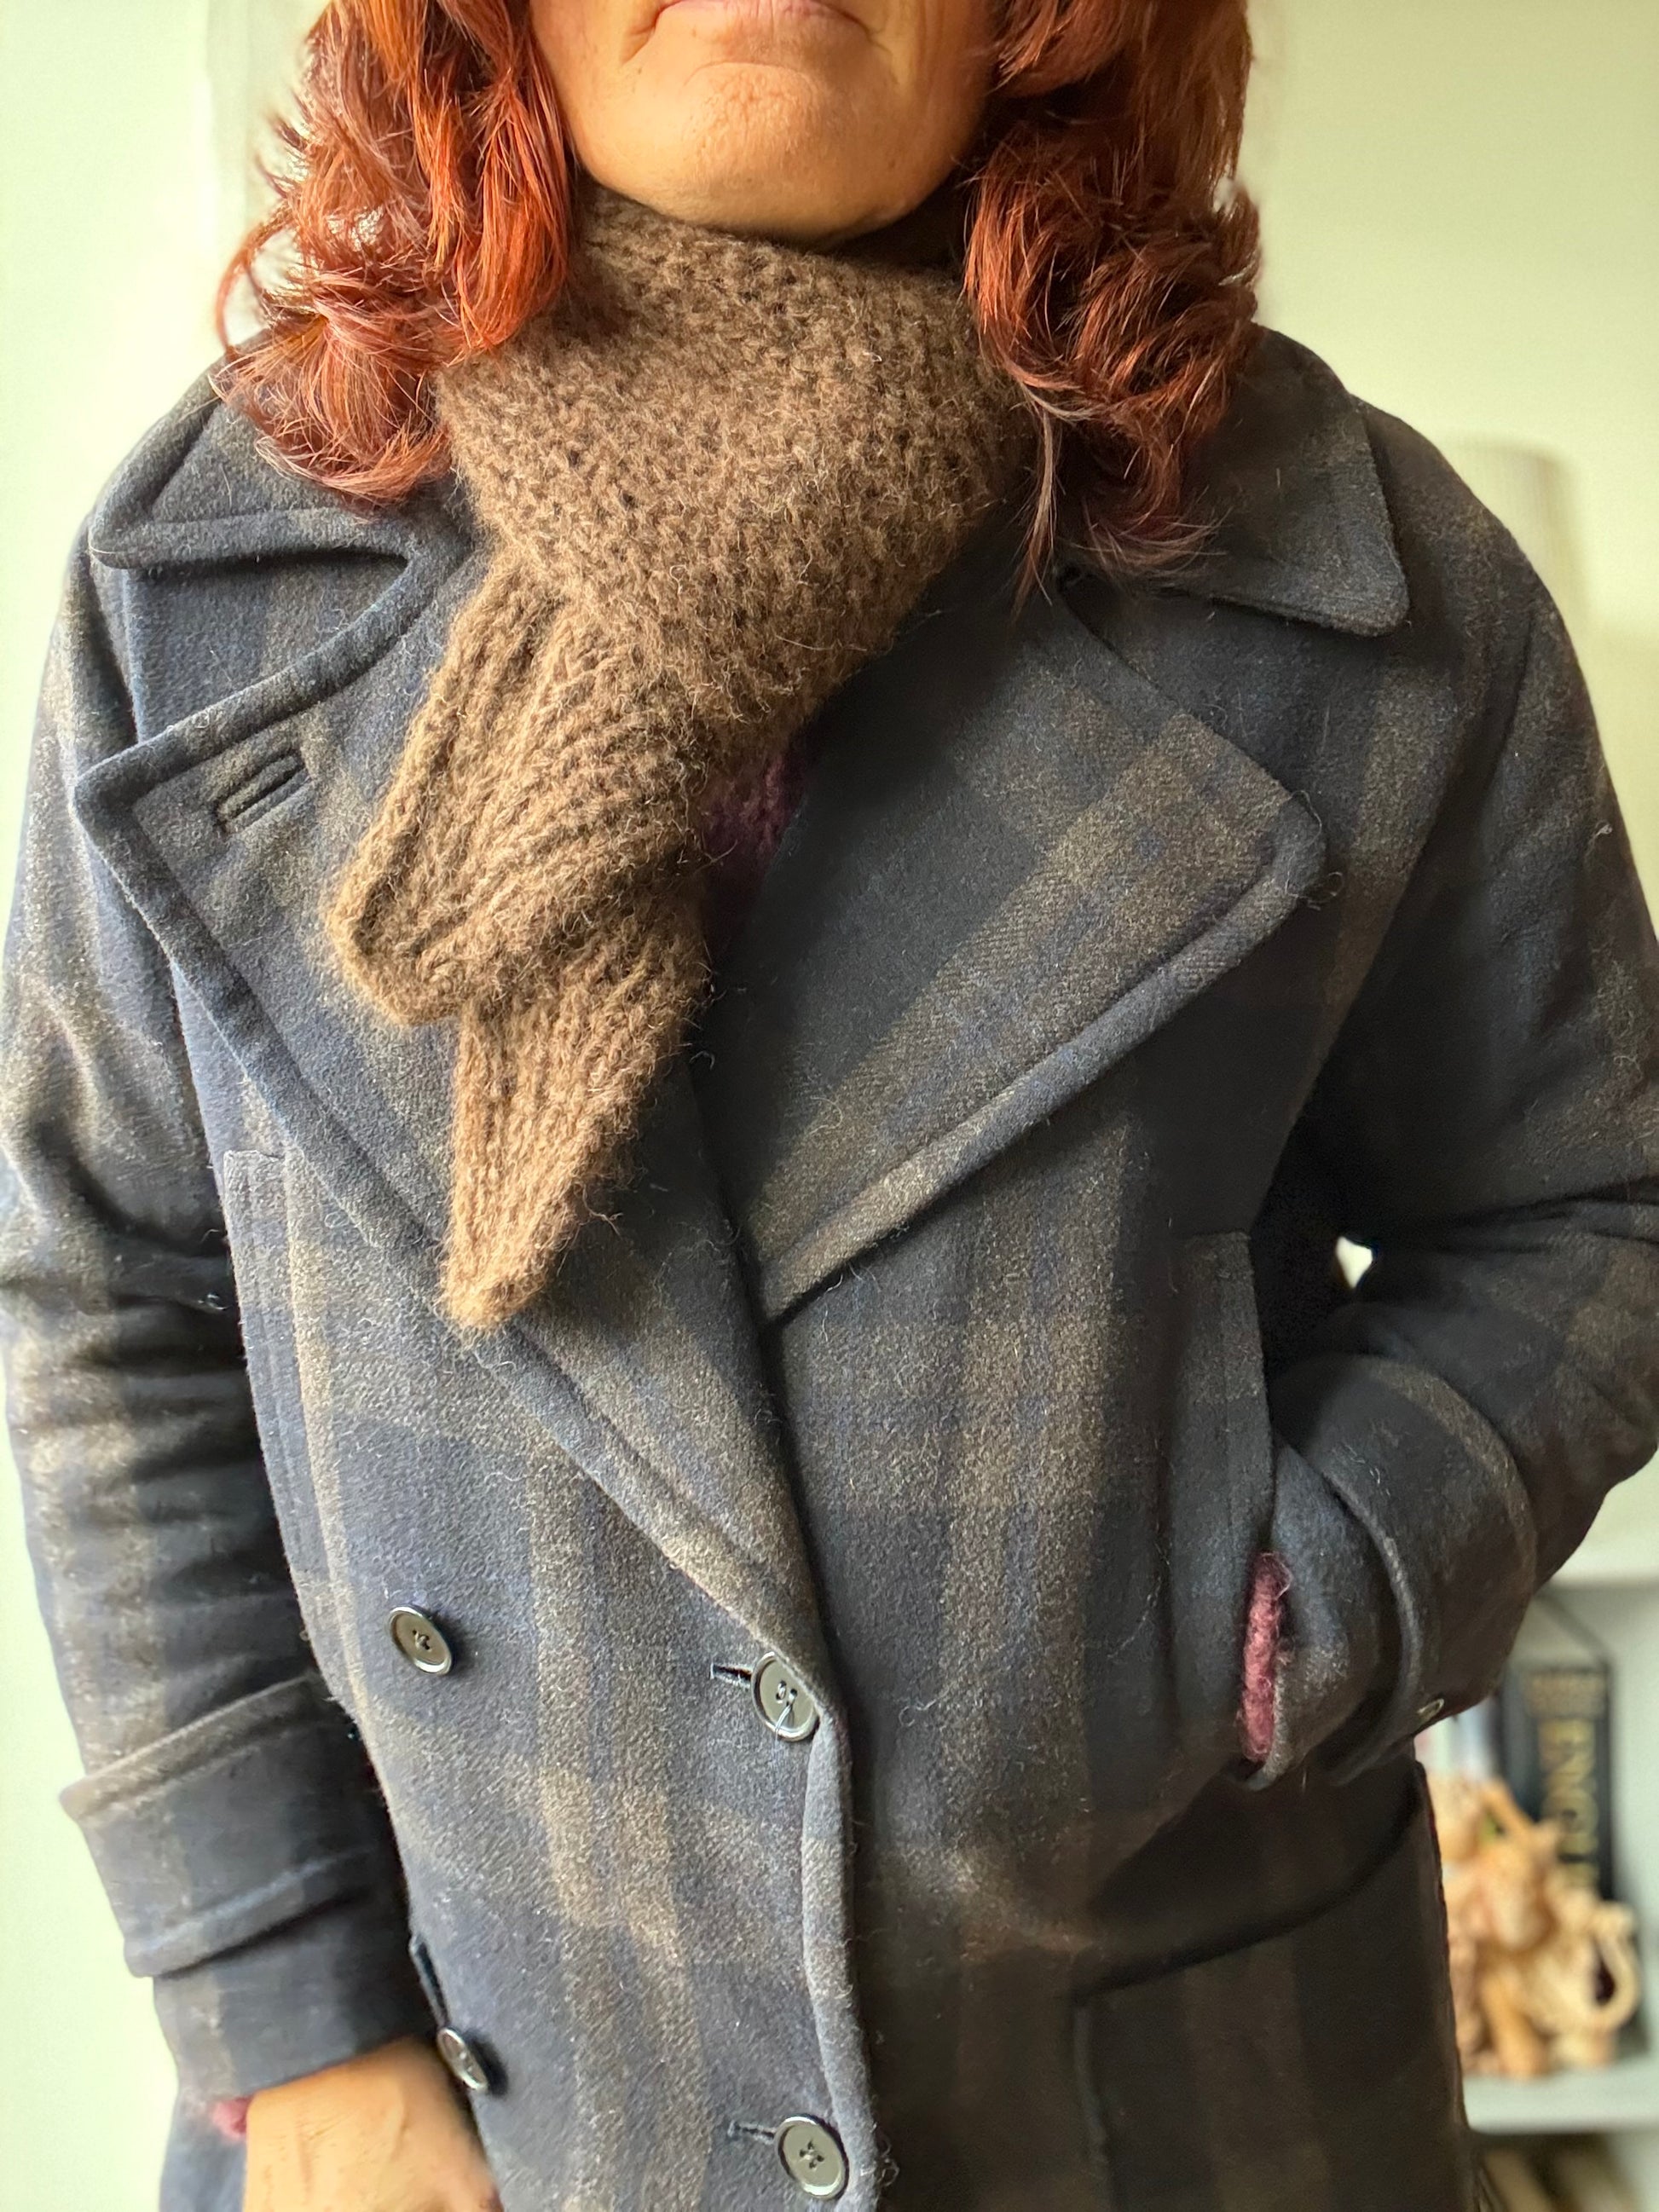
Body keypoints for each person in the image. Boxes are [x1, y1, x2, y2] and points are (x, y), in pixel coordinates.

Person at [3, 0, 1656, 2207]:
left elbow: (1589, 1209)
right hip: (449, 2103)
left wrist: (1288, 1610)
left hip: (1154, 2083)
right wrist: (287, 2011)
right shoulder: (207, 576)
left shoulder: (1351, 575)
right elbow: (107, 1292)